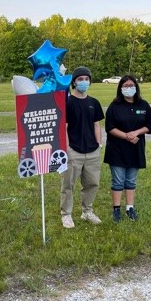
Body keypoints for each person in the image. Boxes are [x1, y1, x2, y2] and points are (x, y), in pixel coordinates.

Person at [103, 75, 151, 222]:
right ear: (120, 88)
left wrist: (136, 133)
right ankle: (116, 209)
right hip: (117, 149)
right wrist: (127, 136)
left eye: (131, 85)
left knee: (131, 181)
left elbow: (149, 126)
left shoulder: (143, 105)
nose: (128, 88)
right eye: (125, 86)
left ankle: (130, 208)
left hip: (136, 148)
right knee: (118, 181)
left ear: (136, 87)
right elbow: (109, 127)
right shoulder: (114, 106)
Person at [60, 66, 105, 229]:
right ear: (74, 82)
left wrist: (99, 145)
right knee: (68, 185)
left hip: (92, 150)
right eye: (80, 79)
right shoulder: (68, 102)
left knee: (92, 183)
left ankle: (87, 211)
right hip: (73, 150)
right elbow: (63, 127)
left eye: (86, 79)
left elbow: (97, 125)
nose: (84, 82)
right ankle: (66, 214)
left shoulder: (94, 103)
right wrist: (66, 149)